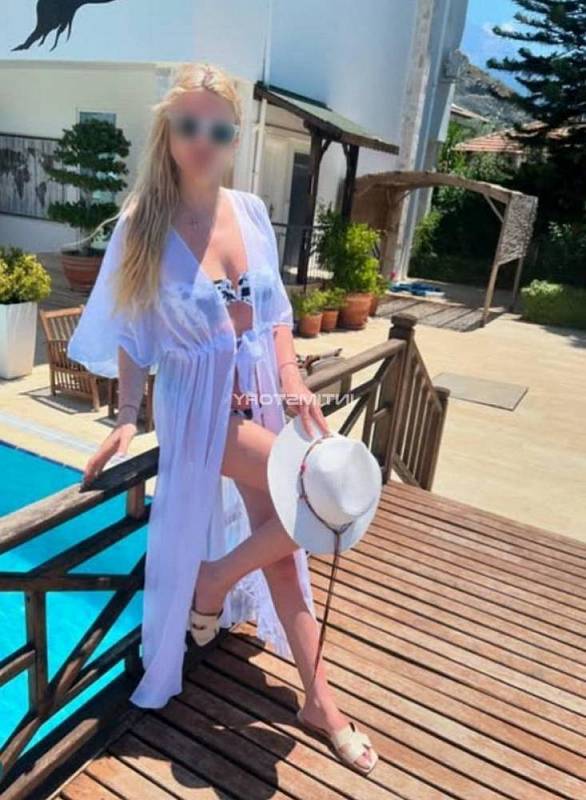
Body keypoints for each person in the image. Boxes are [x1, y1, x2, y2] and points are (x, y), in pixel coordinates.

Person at [67, 61, 377, 774]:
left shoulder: (250, 210)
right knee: (308, 499)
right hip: (200, 404)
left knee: (288, 540)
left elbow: (275, 316)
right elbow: (132, 334)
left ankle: (314, 695)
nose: (203, 142)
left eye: (220, 130)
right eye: (190, 126)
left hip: (260, 390)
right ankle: (218, 591)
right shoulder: (142, 225)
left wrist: (293, 386)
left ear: (236, 137)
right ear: (168, 131)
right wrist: (126, 414)